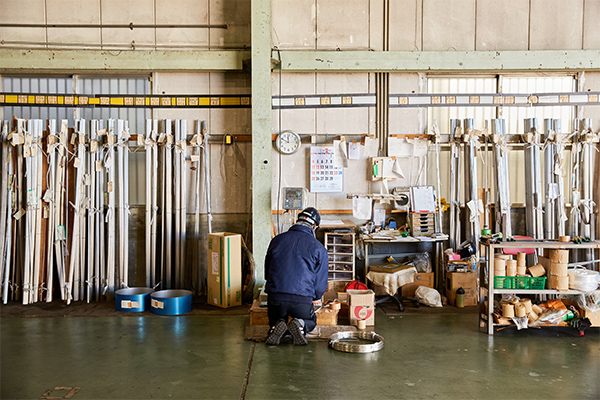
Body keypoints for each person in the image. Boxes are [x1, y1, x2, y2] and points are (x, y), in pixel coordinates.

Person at [264, 207, 329, 345]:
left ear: (296, 221)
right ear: (315, 226)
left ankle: (277, 324)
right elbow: (320, 283)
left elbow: (267, 272)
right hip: (301, 301)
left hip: (276, 298)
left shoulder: (276, 240)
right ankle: (300, 324)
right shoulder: (319, 248)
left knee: (274, 318)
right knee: (311, 321)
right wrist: (316, 296)